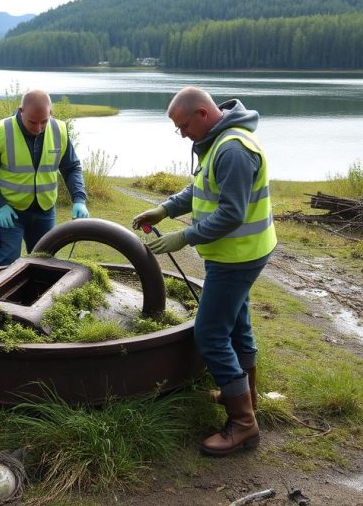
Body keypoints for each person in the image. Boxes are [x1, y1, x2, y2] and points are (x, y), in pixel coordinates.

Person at [132, 86, 276, 457]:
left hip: (237, 256)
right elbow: (199, 189)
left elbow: (231, 214)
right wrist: (164, 210)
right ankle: (246, 397)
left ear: (201, 113)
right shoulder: (217, 140)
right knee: (238, 325)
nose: (181, 134)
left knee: (209, 333)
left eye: (182, 126)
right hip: (235, 254)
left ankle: (243, 425)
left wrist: (182, 237)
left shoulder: (232, 149)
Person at [0, 90, 89, 266]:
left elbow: (71, 167)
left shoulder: (59, 130)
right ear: (21, 111)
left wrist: (79, 199)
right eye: (32, 122)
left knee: (44, 264)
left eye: (44, 121)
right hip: (10, 212)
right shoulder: (1, 132)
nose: (38, 128)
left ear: (50, 112)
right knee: (7, 266)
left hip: (45, 212)